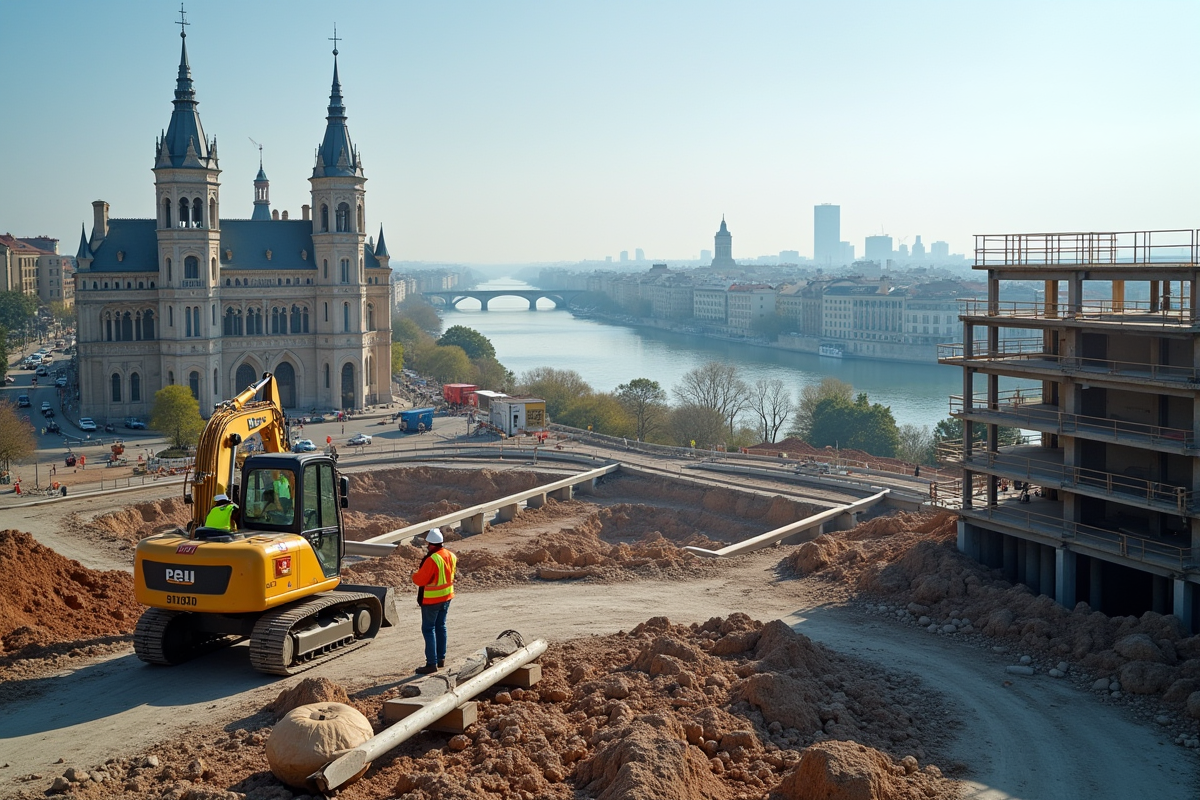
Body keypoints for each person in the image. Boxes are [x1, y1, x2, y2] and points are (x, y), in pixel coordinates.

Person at [411, 528, 456, 674]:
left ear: (430, 544)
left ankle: (431, 663)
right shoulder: (450, 555)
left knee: (428, 629)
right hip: (446, 597)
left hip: (432, 600)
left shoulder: (432, 559)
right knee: (440, 626)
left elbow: (420, 580)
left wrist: (414, 575)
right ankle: (440, 659)